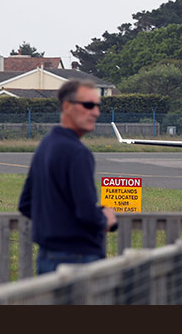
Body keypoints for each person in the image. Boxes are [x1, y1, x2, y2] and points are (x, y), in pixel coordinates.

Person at [18, 79, 117, 275]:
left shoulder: (45, 146)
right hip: (79, 258)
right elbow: (87, 213)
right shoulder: (77, 152)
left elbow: (25, 204)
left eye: (97, 106)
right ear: (67, 106)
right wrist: (106, 220)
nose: (95, 112)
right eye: (88, 105)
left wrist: (56, 225)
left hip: (47, 256)